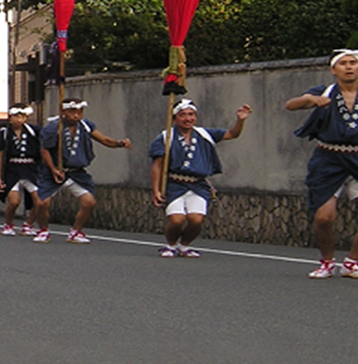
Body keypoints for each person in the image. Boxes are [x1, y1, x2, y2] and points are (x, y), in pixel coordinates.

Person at [285, 49, 358, 278]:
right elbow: (291, 104)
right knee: (324, 216)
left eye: (353, 63)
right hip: (329, 157)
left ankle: (352, 262)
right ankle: (327, 261)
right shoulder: (324, 92)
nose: (348, 67)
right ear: (333, 70)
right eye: (343, 63)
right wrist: (311, 100)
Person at [149, 99, 251, 257]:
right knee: (177, 219)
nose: (187, 118)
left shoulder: (204, 134)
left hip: (197, 184)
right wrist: (156, 190)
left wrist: (240, 120)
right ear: (175, 118)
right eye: (182, 115)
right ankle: (171, 245)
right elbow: (158, 165)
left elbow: (232, 134)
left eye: (191, 114)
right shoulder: (165, 137)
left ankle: (184, 246)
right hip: (174, 183)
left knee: (196, 220)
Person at [34, 98, 132, 244]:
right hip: (55, 170)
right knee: (42, 203)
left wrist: (119, 143)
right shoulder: (53, 127)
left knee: (89, 202)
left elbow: (103, 139)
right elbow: (45, 150)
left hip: (77, 171)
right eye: (72, 112)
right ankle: (43, 230)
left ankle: (75, 231)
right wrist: (53, 169)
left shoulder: (86, 125)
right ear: (63, 112)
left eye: (79, 112)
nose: (76, 116)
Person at [0, 103, 42, 236]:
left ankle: (28, 224)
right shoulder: (4, 133)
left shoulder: (33, 131)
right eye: (16, 117)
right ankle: (8, 224)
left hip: (30, 168)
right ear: (10, 117)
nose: (19, 120)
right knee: (14, 201)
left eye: (22, 117)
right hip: (12, 169)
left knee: (40, 201)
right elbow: (0, 156)